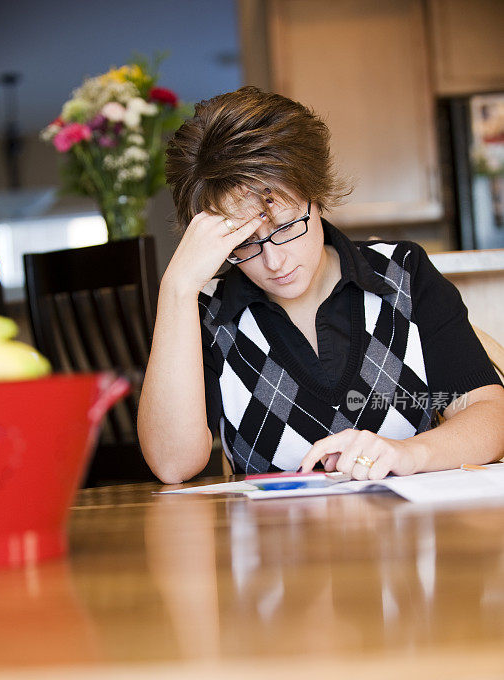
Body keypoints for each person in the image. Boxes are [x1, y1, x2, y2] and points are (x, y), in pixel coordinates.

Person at [137, 86, 504, 484]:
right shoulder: (205, 314)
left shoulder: (403, 273)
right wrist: (176, 286)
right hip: (275, 545)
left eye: (287, 226)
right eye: (243, 242)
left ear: (316, 193)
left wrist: (408, 453)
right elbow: (173, 465)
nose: (273, 262)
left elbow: (489, 412)